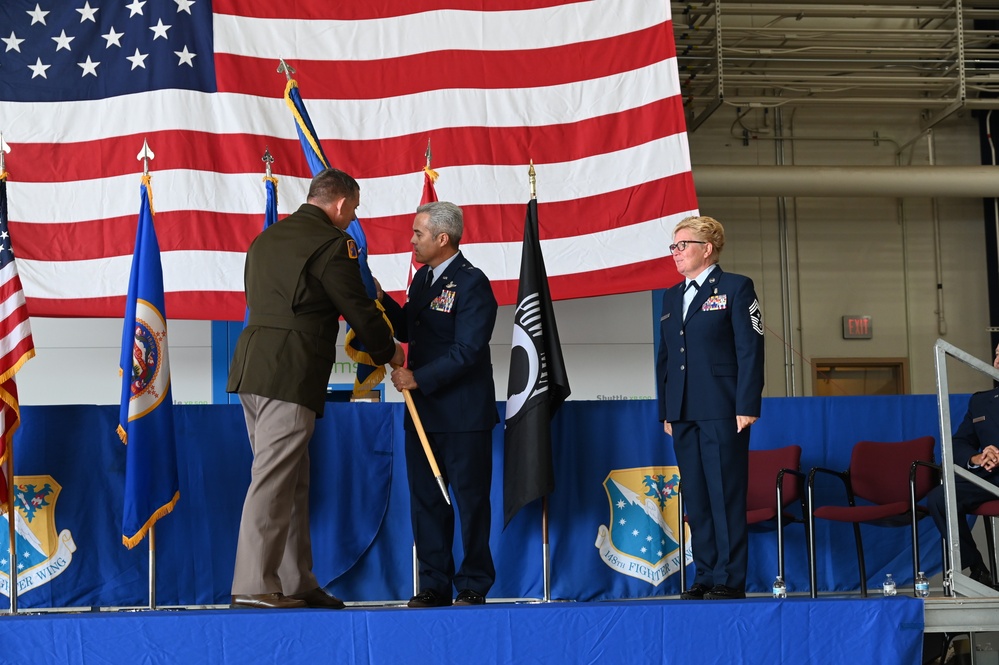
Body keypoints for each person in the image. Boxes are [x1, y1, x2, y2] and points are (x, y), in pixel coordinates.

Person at [227, 168, 405, 610]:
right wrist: (391, 352)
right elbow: (358, 309)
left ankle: (295, 581)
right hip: (290, 371)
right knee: (273, 478)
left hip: (254, 367)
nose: (351, 220)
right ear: (341, 205)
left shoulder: (266, 239)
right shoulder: (332, 244)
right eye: (354, 211)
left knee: (292, 479)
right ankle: (253, 585)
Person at [380, 201, 499, 608]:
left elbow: (468, 349)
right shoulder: (422, 281)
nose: (412, 240)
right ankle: (434, 584)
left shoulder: (472, 283)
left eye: (419, 233)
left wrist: (417, 377)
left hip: (464, 415)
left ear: (442, 238)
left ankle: (473, 584)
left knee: (470, 502)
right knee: (427, 503)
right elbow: (410, 326)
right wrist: (377, 297)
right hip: (424, 414)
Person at [655, 215, 765, 601]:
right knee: (697, 497)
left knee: (724, 494)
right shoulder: (671, 295)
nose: (676, 253)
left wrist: (747, 402)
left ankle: (729, 578)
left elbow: (750, 349)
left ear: (708, 248)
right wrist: (666, 410)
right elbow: (665, 357)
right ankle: (704, 573)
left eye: (682, 245)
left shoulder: (736, 287)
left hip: (723, 407)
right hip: (683, 409)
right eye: (674, 245)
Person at [926, 342, 999, 588]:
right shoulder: (980, 402)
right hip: (990, 476)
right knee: (940, 497)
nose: (997, 361)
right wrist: (977, 458)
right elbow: (958, 442)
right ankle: (977, 569)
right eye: (997, 355)